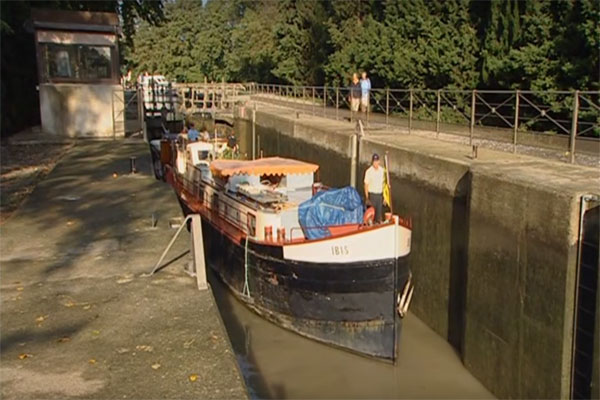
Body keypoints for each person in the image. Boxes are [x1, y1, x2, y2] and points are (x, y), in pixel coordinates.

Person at [364, 153, 385, 223]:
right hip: (372, 195)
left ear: (379, 162)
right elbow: (366, 184)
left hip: (379, 195)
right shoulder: (369, 172)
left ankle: (378, 223)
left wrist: (385, 197)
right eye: (374, 161)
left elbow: (385, 184)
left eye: (377, 161)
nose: (375, 163)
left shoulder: (382, 171)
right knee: (371, 215)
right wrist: (367, 197)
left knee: (379, 215)